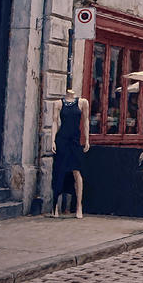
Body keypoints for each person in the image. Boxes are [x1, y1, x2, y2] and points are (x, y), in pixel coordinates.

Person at [51, 90, 90, 219]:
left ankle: (79, 206)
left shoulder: (83, 102)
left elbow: (86, 121)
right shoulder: (58, 103)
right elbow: (55, 122)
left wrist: (87, 139)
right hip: (62, 140)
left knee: (77, 171)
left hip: (75, 140)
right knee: (59, 171)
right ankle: (55, 207)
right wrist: (52, 140)